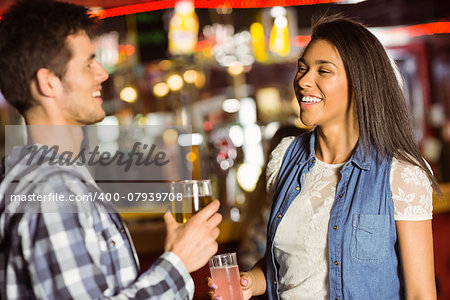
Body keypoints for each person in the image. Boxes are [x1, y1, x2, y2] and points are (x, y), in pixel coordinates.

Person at [0, 0, 222, 299]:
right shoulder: (53, 189)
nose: (102, 74)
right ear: (48, 82)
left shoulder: (28, 175)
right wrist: (177, 263)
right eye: (88, 63)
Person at [209, 15, 438, 299]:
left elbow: (420, 293)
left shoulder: (401, 174)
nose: (303, 80)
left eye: (323, 71)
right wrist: (251, 282)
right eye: (302, 69)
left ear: (359, 83)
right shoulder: (284, 158)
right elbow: (288, 264)